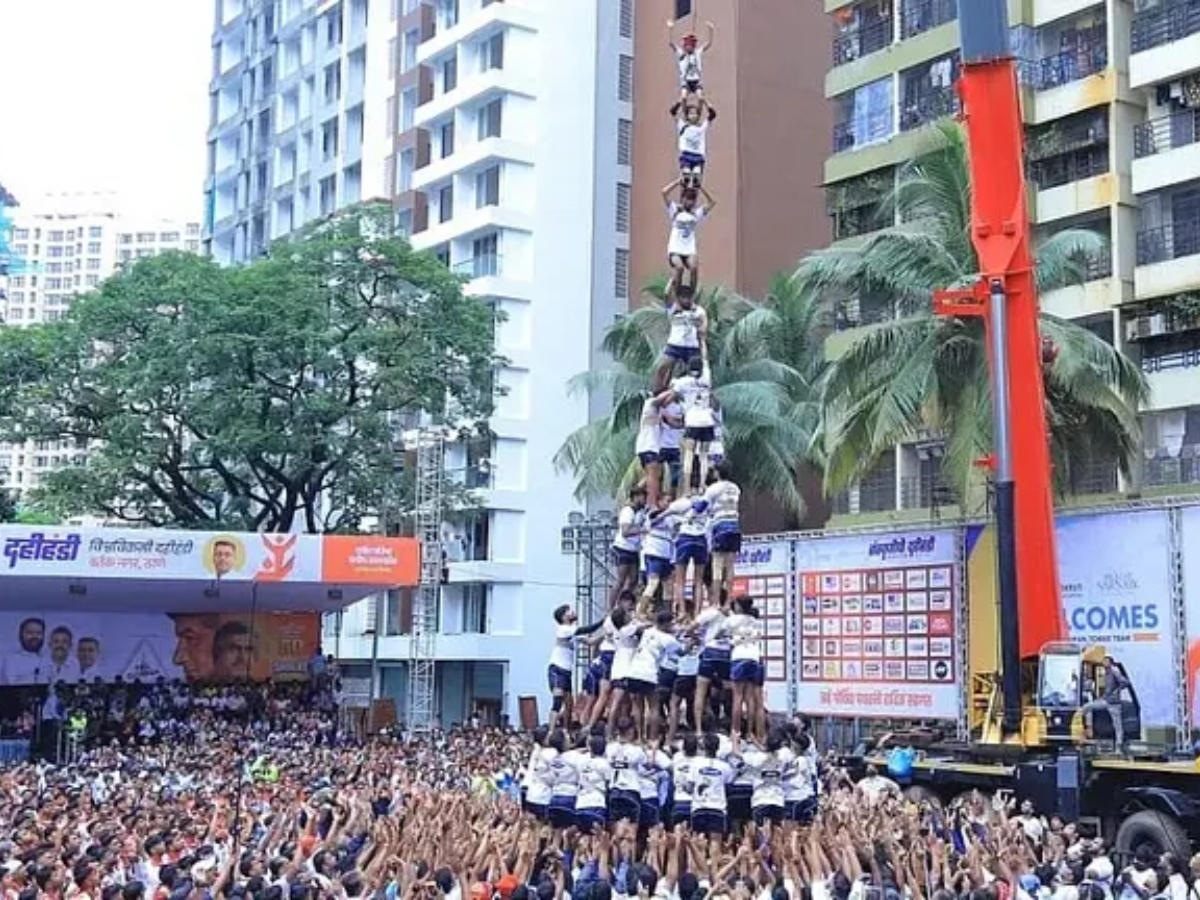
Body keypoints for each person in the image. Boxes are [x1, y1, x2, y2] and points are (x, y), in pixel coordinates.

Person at [547, 605, 607, 731]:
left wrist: (606, 633)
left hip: (567, 671)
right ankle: (551, 731)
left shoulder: (572, 632)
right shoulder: (563, 629)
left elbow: (591, 642)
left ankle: (566, 731)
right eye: (569, 611)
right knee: (557, 701)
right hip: (557, 668)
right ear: (563, 617)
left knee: (569, 704)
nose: (573, 611)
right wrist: (603, 621)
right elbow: (587, 629)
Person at [653, 283, 708, 394]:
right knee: (662, 368)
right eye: (683, 297)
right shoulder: (673, 309)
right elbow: (667, 294)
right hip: (675, 345)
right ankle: (657, 391)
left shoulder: (698, 311)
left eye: (688, 297)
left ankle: (696, 393)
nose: (686, 300)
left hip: (692, 347)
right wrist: (672, 281)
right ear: (678, 298)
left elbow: (704, 322)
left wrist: (702, 327)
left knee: (696, 373)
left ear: (692, 298)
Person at [671, 357, 716, 494]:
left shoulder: (683, 382)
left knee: (689, 455)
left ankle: (687, 488)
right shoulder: (706, 378)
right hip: (707, 420)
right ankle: (702, 485)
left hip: (692, 421)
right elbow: (705, 357)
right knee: (704, 455)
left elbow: (672, 390)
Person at [662, 179, 715, 295]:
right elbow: (664, 192)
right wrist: (678, 182)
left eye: (692, 200)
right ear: (682, 199)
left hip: (689, 249)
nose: (689, 202)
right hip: (675, 248)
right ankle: (677, 295)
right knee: (680, 268)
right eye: (687, 199)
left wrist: (700, 187)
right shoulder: (674, 209)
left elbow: (712, 202)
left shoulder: (696, 214)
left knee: (694, 268)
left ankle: (691, 295)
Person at [703, 463, 742, 608]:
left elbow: (701, 506)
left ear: (717, 473)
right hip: (734, 526)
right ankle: (727, 602)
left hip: (720, 527)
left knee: (717, 567)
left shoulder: (713, 488)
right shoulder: (735, 488)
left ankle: (715, 603)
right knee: (730, 567)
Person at [728, 597, 765, 742]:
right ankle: (751, 733)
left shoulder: (734, 620)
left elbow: (719, 633)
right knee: (751, 699)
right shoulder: (756, 622)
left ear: (739, 606)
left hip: (739, 658)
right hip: (755, 658)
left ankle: (735, 732)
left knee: (737, 697)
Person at [1084, 655, 1133, 752]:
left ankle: (1118, 747)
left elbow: (1126, 682)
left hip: (1114, 703)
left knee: (1117, 726)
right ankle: (1089, 728)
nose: (1104, 662)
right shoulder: (1106, 673)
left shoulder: (1114, 671)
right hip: (1106, 700)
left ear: (1110, 662)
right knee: (1087, 707)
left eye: (1106, 661)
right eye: (1103, 661)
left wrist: (1117, 690)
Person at [610, 485, 649, 609]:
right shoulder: (628, 511)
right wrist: (642, 530)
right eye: (643, 497)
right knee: (620, 580)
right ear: (636, 497)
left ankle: (625, 603)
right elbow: (625, 532)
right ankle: (611, 608)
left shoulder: (640, 512)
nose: (645, 500)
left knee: (633, 579)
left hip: (633, 549)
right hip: (622, 548)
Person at [690, 732, 734, 836]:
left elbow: (690, 785)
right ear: (718, 747)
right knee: (715, 842)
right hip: (717, 808)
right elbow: (729, 787)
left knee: (698, 841)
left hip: (699, 807)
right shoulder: (725, 767)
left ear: (704, 746)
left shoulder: (695, 763)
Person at [636, 392, 672, 507]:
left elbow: (673, 422)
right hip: (648, 446)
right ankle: (651, 504)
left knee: (652, 476)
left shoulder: (660, 411)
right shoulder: (650, 403)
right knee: (653, 476)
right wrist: (674, 390)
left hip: (650, 447)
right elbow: (660, 400)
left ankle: (636, 495)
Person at [668, 19, 715, 100]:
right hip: (685, 81)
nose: (689, 47)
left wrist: (711, 30)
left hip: (696, 80)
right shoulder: (681, 53)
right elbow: (671, 44)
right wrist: (670, 29)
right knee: (684, 97)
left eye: (691, 45)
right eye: (687, 45)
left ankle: (703, 105)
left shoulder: (697, 52)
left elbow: (708, 44)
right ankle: (681, 104)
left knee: (700, 97)